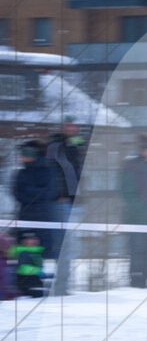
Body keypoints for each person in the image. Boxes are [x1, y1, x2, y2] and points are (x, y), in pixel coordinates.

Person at [46, 114, 86, 295]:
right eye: (68, 125)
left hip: (76, 201)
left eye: (74, 125)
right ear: (63, 127)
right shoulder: (55, 146)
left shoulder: (78, 146)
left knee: (72, 246)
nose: (71, 128)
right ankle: (60, 287)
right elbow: (54, 172)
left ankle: (65, 285)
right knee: (63, 245)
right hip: (61, 201)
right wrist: (60, 194)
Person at [120, 134, 147, 288]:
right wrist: (142, 209)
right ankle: (137, 283)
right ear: (146, 150)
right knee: (138, 251)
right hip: (136, 219)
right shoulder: (131, 165)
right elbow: (126, 193)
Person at [14, 140, 58, 260]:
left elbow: (48, 194)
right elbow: (18, 195)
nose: (20, 156)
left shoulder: (48, 171)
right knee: (24, 254)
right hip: (24, 217)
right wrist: (34, 193)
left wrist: (28, 191)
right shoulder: (21, 173)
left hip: (42, 218)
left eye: (23, 153)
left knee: (42, 254)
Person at [11, 230, 46, 298]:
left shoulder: (35, 251)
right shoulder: (23, 252)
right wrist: (37, 271)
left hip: (34, 279)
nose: (34, 241)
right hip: (26, 280)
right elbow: (22, 267)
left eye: (35, 239)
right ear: (23, 242)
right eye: (30, 239)